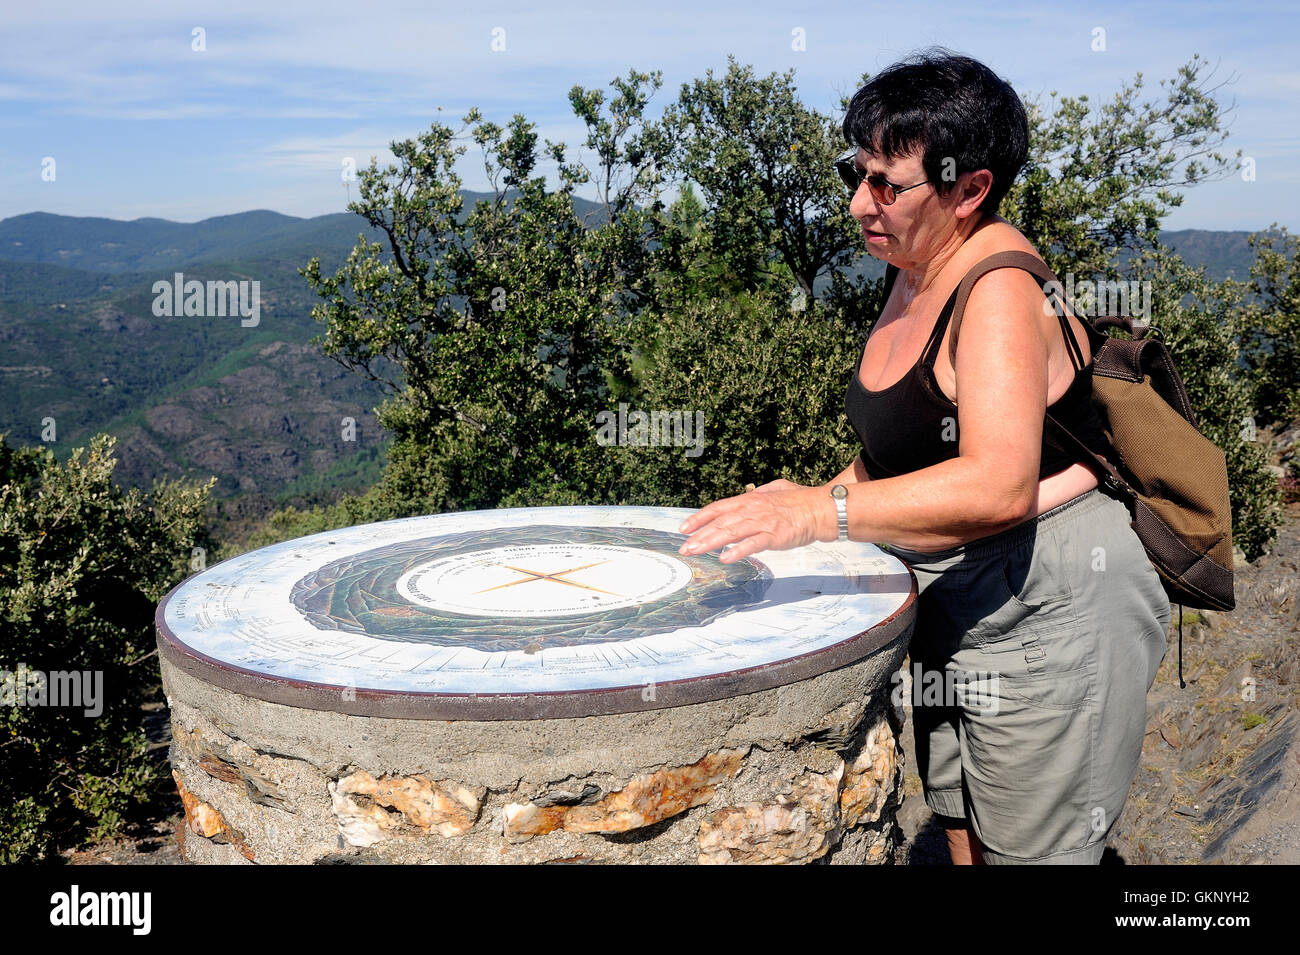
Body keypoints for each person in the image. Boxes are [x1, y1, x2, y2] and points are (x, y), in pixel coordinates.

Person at [676, 49, 1171, 865]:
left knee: (1035, 851)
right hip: (956, 596)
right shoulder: (913, 266)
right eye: (856, 170)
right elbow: (899, 451)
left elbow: (999, 483)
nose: (857, 201)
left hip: (1048, 601)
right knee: (960, 828)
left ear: (969, 188)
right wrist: (769, 519)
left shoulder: (1001, 291)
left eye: (885, 183)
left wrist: (814, 514)